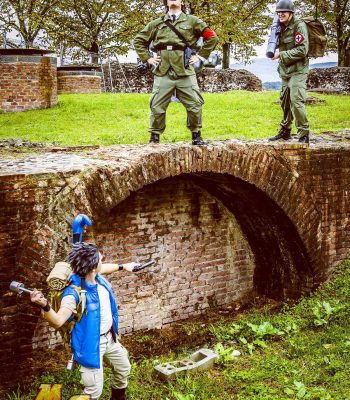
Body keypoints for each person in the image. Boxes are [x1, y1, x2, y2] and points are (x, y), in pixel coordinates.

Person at [30, 242, 139, 400]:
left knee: (123, 368)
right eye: (101, 259)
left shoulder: (96, 277)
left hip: (110, 338)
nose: (103, 261)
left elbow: (105, 267)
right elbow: (58, 321)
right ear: (93, 266)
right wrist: (45, 305)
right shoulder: (73, 294)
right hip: (90, 344)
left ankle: (118, 397)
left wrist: (124, 266)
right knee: (94, 389)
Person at [134, 0, 218, 145]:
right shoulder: (157, 23)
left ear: (182, 2)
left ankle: (196, 135)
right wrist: (147, 58)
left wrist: (199, 56)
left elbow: (212, 37)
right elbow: (139, 40)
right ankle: (154, 137)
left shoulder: (193, 21)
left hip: (184, 69)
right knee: (156, 105)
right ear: (166, 2)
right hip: (163, 70)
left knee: (195, 103)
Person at [268, 0, 310, 144]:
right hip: (285, 70)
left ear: (291, 13)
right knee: (284, 101)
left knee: (296, 100)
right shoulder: (278, 26)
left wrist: (281, 54)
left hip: (298, 70)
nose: (280, 14)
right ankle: (286, 130)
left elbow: (303, 50)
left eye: (284, 12)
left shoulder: (299, 26)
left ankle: (304, 133)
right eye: (278, 12)